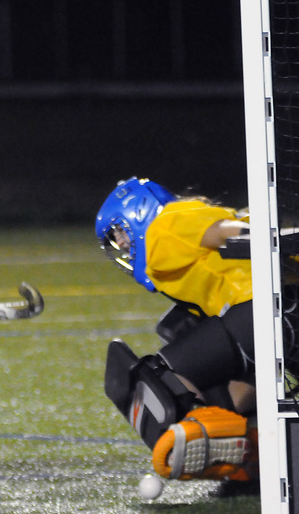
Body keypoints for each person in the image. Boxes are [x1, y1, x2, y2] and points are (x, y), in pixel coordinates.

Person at [95, 177, 260, 484]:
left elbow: (222, 234)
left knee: (157, 381)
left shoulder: (165, 226)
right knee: (224, 398)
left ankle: (243, 462)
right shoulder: (182, 223)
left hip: (263, 311)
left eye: (118, 233)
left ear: (139, 212)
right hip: (275, 314)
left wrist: (267, 238)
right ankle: (255, 458)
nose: (121, 245)